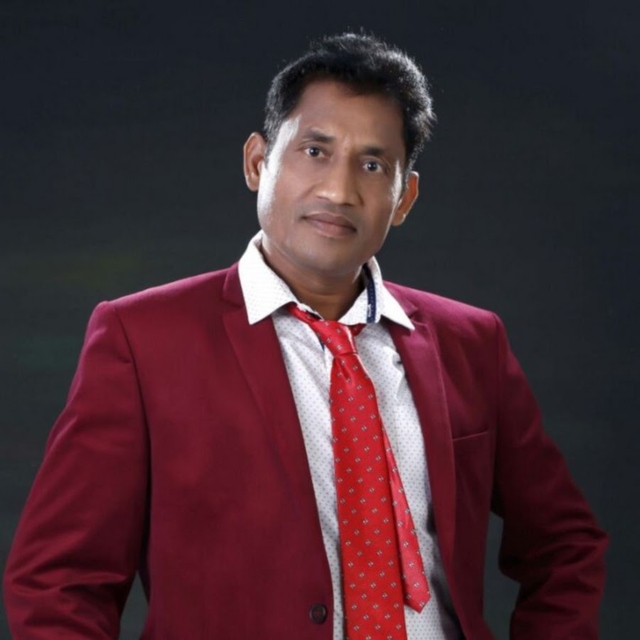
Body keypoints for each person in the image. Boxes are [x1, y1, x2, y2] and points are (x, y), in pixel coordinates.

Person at [4, 33, 607, 640]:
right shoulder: (142, 340)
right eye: (315, 151)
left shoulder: (471, 343)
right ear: (257, 162)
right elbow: (59, 580)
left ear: (404, 198)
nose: (339, 191)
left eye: (372, 165)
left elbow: (564, 544)